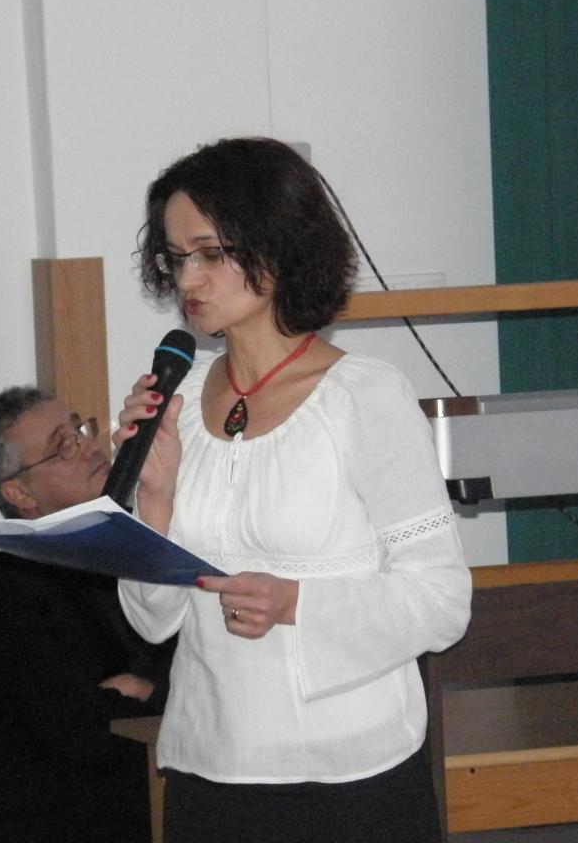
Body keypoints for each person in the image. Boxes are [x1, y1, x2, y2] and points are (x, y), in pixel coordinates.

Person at [113, 136, 473, 843]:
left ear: (276, 249)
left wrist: (295, 602)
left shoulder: (364, 396)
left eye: (209, 253)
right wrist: (152, 500)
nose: (188, 278)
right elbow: (153, 622)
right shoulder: (176, 399)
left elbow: (442, 602)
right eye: (176, 257)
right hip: (209, 766)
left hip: (351, 776)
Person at [0, 386, 174, 843]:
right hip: (57, 819)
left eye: (80, 430)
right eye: (63, 446)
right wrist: (156, 692)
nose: (89, 447)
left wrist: (146, 689)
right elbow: (84, 732)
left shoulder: (133, 541)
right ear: (19, 492)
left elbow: (196, 672)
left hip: (154, 798)